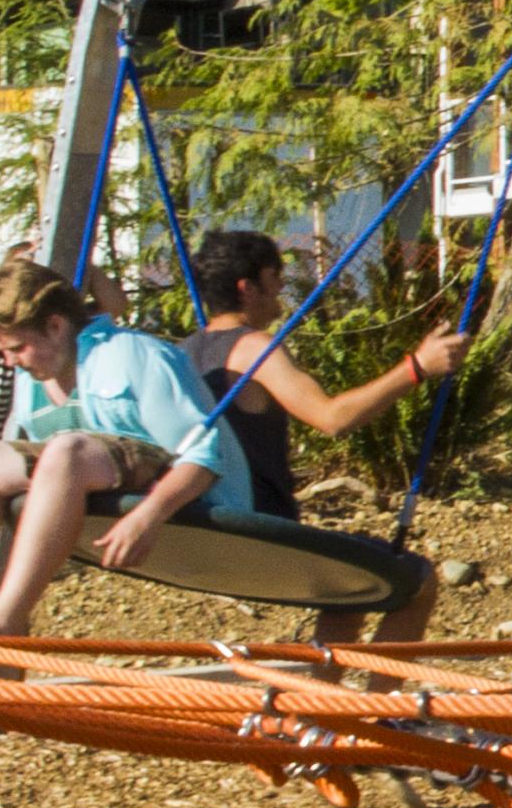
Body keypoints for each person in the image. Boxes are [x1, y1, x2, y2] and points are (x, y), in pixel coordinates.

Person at [0, 260, 250, 761]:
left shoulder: (133, 355)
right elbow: (22, 459)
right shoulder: (33, 375)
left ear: (56, 325)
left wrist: (148, 515)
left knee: (65, 450)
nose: (13, 361)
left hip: (177, 487)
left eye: (17, 347)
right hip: (94, 473)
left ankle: (5, 619)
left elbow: (202, 455)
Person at [179, 231, 465, 677]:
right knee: (418, 581)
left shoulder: (185, 352)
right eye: (274, 277)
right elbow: (332, 419)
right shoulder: (253, 349)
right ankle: (383, 722)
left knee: (348, 595)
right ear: (246, 287)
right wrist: (416, 368)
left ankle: (318, 720)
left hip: (202, 529)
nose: (281, 289)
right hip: (259, 533)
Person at [0, 243, 128, 561]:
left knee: (4, 561)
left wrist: (85, 262)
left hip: (17, 460)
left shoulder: (47, 332)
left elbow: (115, 305)